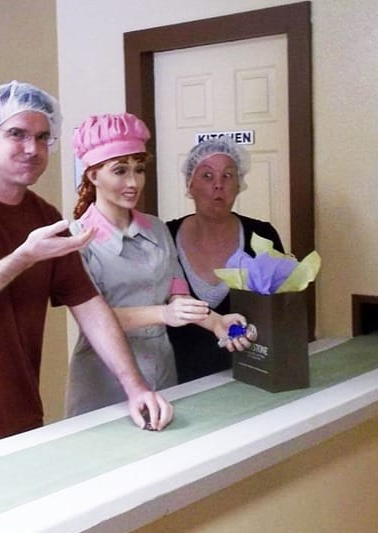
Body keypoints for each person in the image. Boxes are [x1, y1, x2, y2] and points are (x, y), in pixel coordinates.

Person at [0, 82, 173, 467]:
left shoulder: (44, 218)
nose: (32, 148)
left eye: (43, 137)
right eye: (17, 134)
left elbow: (90, 307)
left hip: (18, 419)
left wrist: (136, 387)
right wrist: (22, 257)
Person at [66, 113, 250, 416]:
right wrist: (164, 314)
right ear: (93, 175)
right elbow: (93, 318)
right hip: (103, 377)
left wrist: (215, 322)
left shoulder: (156, 229)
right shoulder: (77, 240)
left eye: (139, 170)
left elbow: (178, 294)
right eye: (120, 171)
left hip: (162, 369)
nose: (133, 182)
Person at [166, 137, 285, 383]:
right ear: (190, 184)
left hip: (250, 374)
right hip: (178, 381)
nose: (218, 185)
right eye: (207, 176)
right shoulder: (166, 236)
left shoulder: (262, 236)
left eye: (228, 176)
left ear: (239, 184)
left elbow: (280, 309)